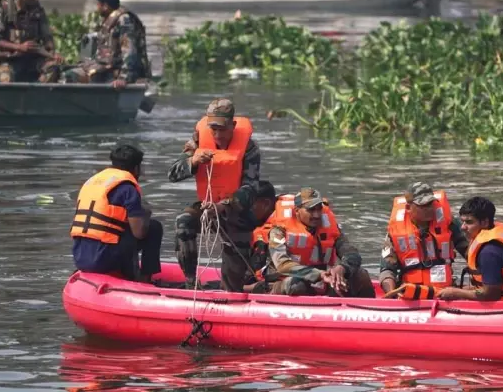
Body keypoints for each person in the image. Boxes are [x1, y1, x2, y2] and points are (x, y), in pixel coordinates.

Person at [168, 98, 261, 292]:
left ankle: (234, 289)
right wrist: (193, 161)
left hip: (236, 209)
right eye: (213, 129)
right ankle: (191, 281)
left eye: (222, 129)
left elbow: (250, 190)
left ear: (233, 125)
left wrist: (223, 206)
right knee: (183, 221)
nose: (217, 135)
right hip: (205, 205)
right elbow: (173, 174)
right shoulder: (198, 140)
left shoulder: (250, 149)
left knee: (233, 284)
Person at [257, 187, 376, 298]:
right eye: (311, 210)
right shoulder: (278, 231)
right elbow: (282, 266)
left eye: (319, 209)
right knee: (298, 285)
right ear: (297, 210)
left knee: (361, 275)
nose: (317, 215)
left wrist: (342, 267)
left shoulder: (330, 227)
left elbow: (351, 253)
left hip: (322, 281)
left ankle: (371, 313)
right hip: (284, 282)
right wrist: (319, 274)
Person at [71, 145, 162, 282]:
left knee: (121, 231)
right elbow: (139, 233)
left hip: (80, 256)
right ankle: (143, 279)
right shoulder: (128, 189)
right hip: (103, 260)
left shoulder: (93, 182)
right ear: (136, 168)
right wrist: (146, 214)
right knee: (154, 227)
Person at [437, 197, 503, 301]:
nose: (463, 227)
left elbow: (491, 295)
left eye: (469, 222)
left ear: (484, 222)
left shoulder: (488, 252)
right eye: (462, 222)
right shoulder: (495, 233)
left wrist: (455, 293)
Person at [379, 182, 469, 300]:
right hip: (411, 294)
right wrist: (391, 294)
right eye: (423, 205)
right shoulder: (395, 232)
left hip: (445, 293)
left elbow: (469, 252)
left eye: (431, 204)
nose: (429, 209)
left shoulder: (448, 223)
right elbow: (386, 270)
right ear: (408, 208)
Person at [62, 0, 150, 90]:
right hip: (108, 67)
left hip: (118, 71)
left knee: (72, 75)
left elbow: (129, 51)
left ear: (105, 6)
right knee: (68, 71)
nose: (97, 7)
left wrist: (124, 78)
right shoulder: (110, 19)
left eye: (98, 4)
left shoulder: (124, 20)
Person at [0, 0, 62, 83]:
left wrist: (53, 54)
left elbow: (47, 38)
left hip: (33, 59)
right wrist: (19, 47)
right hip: (9, 59)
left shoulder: (38, 12)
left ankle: (36, 93)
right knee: (6, 79)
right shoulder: (4, 10)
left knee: (53, 69)